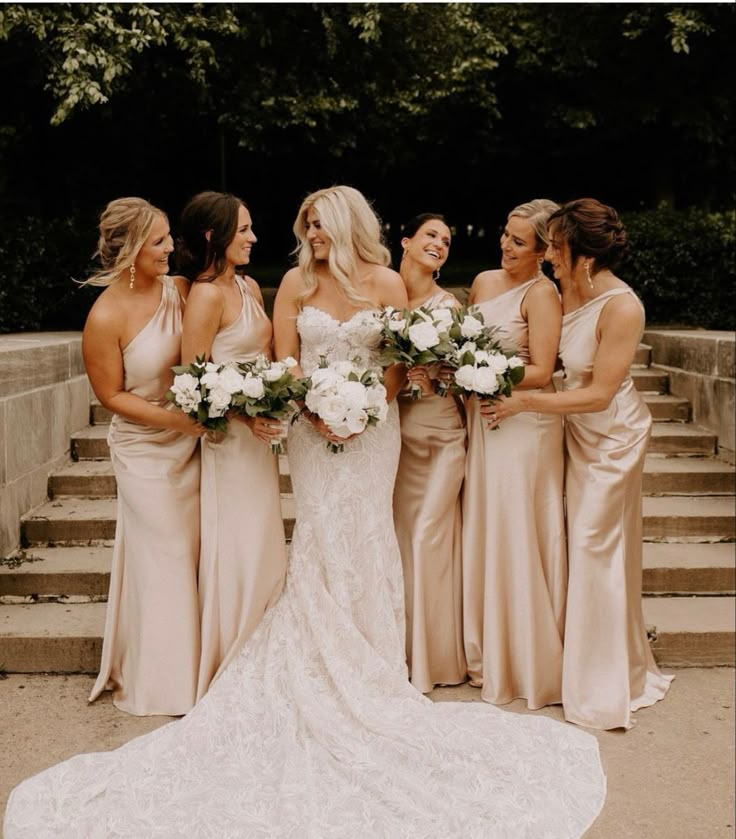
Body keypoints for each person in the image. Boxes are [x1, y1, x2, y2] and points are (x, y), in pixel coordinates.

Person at [4, 187, 605, 838]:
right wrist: (314, 409)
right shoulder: (291, 280)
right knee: (321, 533)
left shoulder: (384, 280)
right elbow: (284, 360)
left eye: (319, 224)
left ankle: (374, 661)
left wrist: (369, 406)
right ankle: (313, 657)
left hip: (375, 434)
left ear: (347, 224)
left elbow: (400, 364)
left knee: (369, 535)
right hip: (312, 434)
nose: (311, 233)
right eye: (306, 224)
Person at [487, 197, 673, 730]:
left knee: (594, 541)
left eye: (557, 249)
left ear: (583, 257)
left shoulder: (623, 308)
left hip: (612, 437)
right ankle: (585, 662)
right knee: (580, 543)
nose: (548, 257)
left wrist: (522, 401)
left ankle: (604, 681)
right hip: (572, 430)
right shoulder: (566, 289)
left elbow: (598, 395)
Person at [83, 197, 204, 717]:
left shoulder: (180, 291)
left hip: (191, 443)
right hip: (143, 449)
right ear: (130, 248)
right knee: (166, 554)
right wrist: (178, 420)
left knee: (193, 552)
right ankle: (162, 681)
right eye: (159, 240)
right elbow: (111, 395)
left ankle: (199, 668)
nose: (171, 247)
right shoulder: (105, 315)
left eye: (169, 235)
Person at [177, 191, 287, 700]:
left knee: (262, 538)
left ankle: (268, 643)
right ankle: (233, 654)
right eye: (243, 229)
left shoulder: (246, 287)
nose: (253, 237)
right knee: (236, 541)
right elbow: (193, 382)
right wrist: (245, 416)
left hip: (258, 442)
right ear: (212, 236)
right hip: (229, 443)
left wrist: (275, 400)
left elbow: (263, 359)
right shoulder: (205, 296)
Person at [462, 199, 567, 709]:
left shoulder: (543, 294)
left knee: (516, 524)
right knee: (487, 520)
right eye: (505, 234)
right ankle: (487, 644)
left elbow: (543, 369)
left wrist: (481, 374)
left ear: (545, 252)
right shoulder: (482, 282)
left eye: (519, 241)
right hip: (483, 419)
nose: (505, 245)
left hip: (523, 422)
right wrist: (460, 367)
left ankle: (525, 654)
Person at [393, 213, 467, 693]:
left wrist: (439, 376)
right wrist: (401, 380)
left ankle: (434, 661)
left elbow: (467, 375)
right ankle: (396, 652)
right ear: (405, 241)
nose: (439, 243)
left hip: (442, 435)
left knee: (427, 539)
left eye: (445, 239)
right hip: (394, 439)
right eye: (430, 235)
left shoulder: (450, 306)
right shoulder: (380, 295)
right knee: (399, 544)